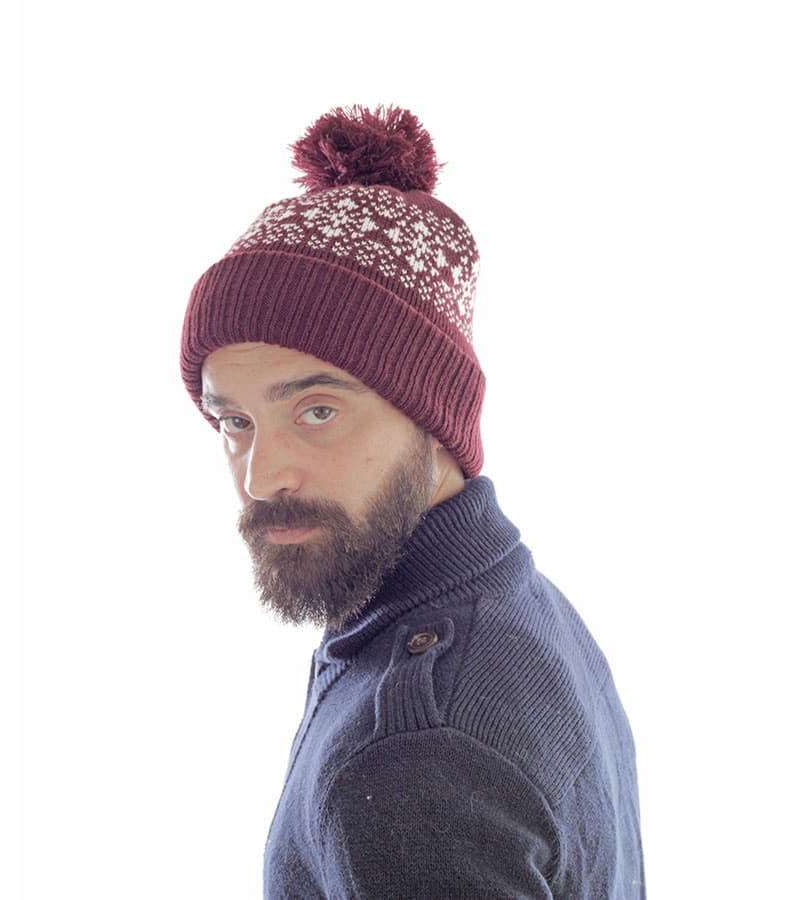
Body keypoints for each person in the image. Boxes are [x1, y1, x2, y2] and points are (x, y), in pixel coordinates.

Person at [180, 104, 646, 899]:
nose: (262, 477)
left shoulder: (413, 754)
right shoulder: (514, 597)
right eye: (235, 421)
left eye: (317, 411)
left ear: (433, 418)